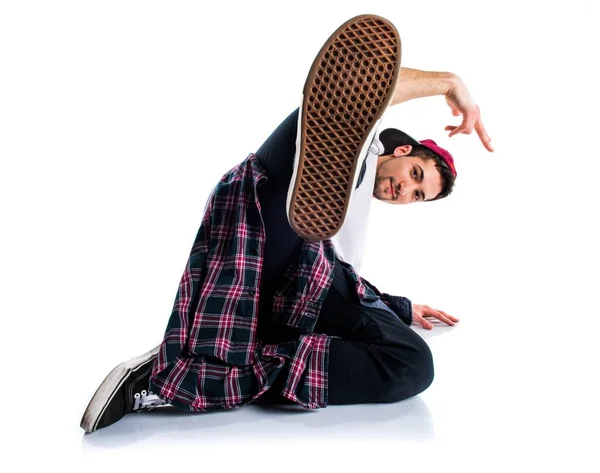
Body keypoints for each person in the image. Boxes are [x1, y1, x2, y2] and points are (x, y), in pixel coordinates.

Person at [80, 14, 493, 433]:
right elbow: (357, 81)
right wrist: (448, 82)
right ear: (402, 149)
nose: (406, 190)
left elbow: (350, 280)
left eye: (418, 196)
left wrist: (395, 307)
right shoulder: (368, 146)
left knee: (408, 358)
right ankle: (214, 371)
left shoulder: (354, 212)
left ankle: (191, 365)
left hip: (284, 274)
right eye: (415, 175)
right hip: (271, 221)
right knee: (320, 130)